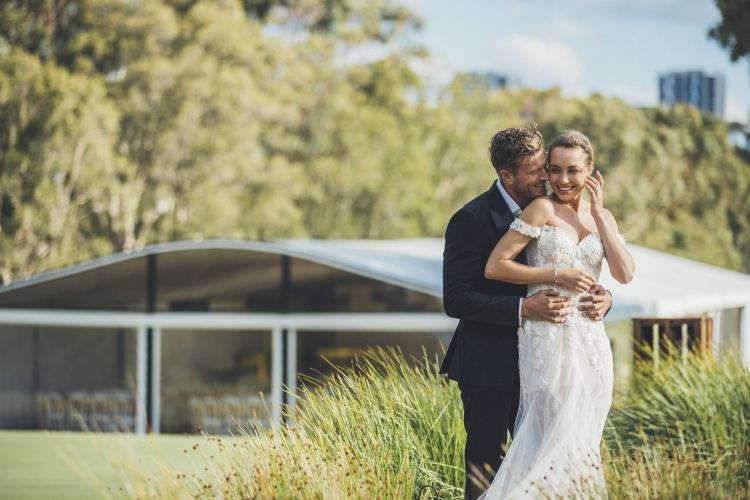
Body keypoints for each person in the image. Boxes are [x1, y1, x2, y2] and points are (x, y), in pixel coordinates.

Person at [440, 127, 614, 500]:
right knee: (488, 468)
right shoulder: (470, 219)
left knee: (550, 461)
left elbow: (581, 267)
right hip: (490, 363)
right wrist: (523, 307)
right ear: (507, 176)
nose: (548, 178)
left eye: (546, 168)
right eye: (538, 171)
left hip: (551, 358)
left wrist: (605, 296)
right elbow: (456, 299)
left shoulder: (563, 208)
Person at [479, 130, 635, 498]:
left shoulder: (604, 216)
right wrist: (554, 275)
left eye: (573, 170)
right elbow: (495, 266)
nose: (563, 180)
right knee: (553, 440)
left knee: (583, 443)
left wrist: (598, 213)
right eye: (555, 170)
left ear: (591, 171)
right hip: (549, 338)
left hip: (592, 344)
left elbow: (625, 273)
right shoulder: (541, 209)